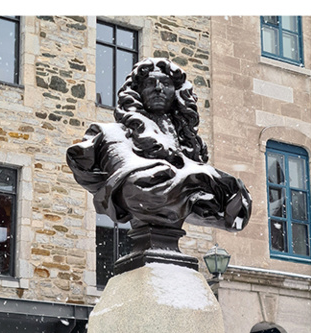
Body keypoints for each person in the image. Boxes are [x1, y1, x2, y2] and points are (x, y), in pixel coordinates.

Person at [67, 57, 251, 234]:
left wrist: (183, 182)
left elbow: (238, 205)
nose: (158, 88)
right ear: (137, 91)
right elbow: (137, 188)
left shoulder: (191, 146)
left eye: (166, 84)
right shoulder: (109, 134)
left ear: (176, 93)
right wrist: (205, 180)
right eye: (149, 83)